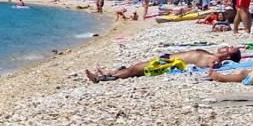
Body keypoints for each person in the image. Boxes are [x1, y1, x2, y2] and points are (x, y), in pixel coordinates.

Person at [86, 47, 242, 82]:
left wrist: (215, 68)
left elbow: (212, 68)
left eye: (228, 48)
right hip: (168, 58)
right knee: (136, 66)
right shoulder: (212, 55)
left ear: (228, 55)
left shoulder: (215, 60)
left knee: (135, 69)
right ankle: (108, 73)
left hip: (169, 63)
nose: (224, 47)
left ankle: (101, 79)